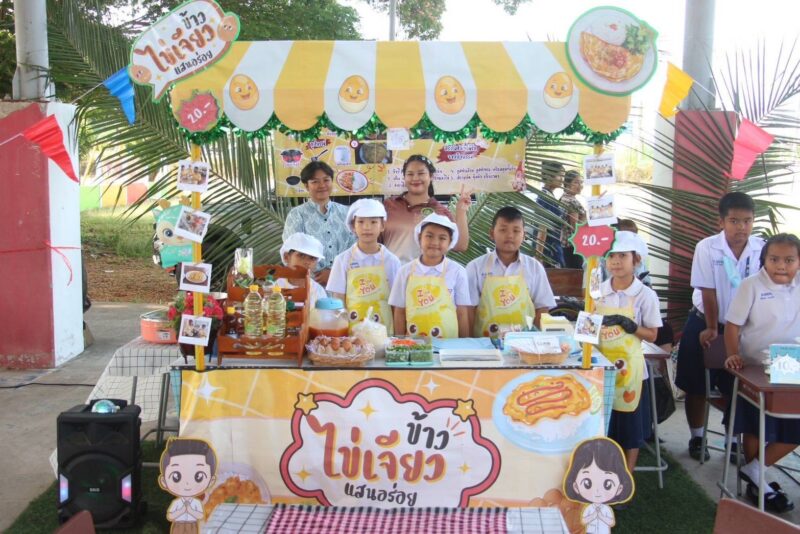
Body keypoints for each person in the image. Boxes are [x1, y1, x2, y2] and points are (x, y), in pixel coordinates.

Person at [675, 192, 764, 461]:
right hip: (705, 321)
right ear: (721, 221)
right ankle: (697, 437)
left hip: (743, 329)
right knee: (696, 384)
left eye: (747, 221)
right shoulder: (707, 247)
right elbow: (708, 291)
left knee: (736, 388)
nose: (741, 227)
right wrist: (713, 328)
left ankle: (732, 440)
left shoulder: (761, 248)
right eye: (734, 221)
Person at [724, 233, 800, 514]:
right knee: (756, 425)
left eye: (789, 260)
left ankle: (755, 471)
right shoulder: (751, 285)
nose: (781, 265)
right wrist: (733, 354)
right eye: (774, 259)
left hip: (792, 369)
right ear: (764, 260)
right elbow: (732, 325)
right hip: (754, 369)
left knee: (794, 426)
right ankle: (760, 483)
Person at [596, 231, 662, 471]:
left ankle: (626, 477)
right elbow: (589, 329)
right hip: (600, 367)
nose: (615, 261)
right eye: (611, 256)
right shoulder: (597, 291)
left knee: (629, 430)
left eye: (622, 256)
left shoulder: (646, 295)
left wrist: (631, 326)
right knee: (602, 425)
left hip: (630, 373)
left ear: (636, 260)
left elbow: (653, 335)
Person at [465, 206, 556, 336]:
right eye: (503, 230)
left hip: (524, 342)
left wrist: (533, 338)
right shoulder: (475, 267)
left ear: (524, 235)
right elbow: (469, 310)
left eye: (516, 230)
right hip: (484, 342)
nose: (510, 235)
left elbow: (542, 308)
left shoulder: (534, 267)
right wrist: (471, 342)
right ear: (492, 233)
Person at [389, 214, 470, 338]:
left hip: (448, 343)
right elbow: (399, 311)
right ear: (419, 237)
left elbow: (462, 313)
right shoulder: (404, 272)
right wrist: (400, 342)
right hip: (414, 344)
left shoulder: (458, 271)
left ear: (450, 242)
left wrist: (464, 344)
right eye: (429, 236)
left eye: (442, 238)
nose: (434, 242)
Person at [327, 199, 402, 334]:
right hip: (353, 334)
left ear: (382, 226)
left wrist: (397, 337)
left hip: (385, 333)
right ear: (353, 226)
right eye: (361, 222)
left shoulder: (392, 261)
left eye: (373, 222)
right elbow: (338, 301)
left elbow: (396, 303)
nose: (367, 227)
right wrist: (342, 335)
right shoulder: (342, 260)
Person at [382, 154, 471, 264]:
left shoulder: (440, 212)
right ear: (404, 177)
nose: (415, 178)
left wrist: (461, 211)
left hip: (425, 273)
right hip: (391, 272)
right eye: (410, 174)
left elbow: (460, 246)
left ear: (431, 176)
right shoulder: (388, 205)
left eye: (421, 173)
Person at [282, 161, 356, 285]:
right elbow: (292, 253)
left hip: (344, 284)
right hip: (309, 285)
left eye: (326, 180)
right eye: (315, 182)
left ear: (332, 182)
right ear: (306, 186)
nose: (322, 185)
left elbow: (355, 249)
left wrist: (334, 273)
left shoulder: (346, 213)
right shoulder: (297, 215)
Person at [564, 438, 635, 534]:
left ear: (619, 489)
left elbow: (611, 522)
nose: (597, 491)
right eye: (587, 484)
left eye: (607, 485)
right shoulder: (589, 508)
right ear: (576, 487)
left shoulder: (606, 509)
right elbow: (584, 520)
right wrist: (593, 516)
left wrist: (601, 516)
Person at [159, 438, 218, 534]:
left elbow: (200, 516)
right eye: (176, 477)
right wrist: (181, 511)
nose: (187, 484)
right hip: (178, 525)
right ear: (164, 482)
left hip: (192, 525)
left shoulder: (196, 502)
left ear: (211, 481)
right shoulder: (177, 503)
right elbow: (170, 516)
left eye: (198, 477)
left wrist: (190, 510)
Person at [279, 232, 328, 308]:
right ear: (286, 257)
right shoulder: (275, 287)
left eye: (312, 258)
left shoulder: (318, 291)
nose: (307, 262)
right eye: (301, 255)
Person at [535, 160, 566, 267]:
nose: (562, 179)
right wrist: (539, 256)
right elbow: (542, 228)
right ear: (549, 176)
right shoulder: (545, 198)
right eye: (560, 175)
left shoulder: (549, 196)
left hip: (554, 249)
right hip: (549, 253)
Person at [560, 170, 587, 269]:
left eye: (581, 182)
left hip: (565, 245)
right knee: (576, 273)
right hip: (573, 246)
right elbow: (575, 227)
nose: (580, 185)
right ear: (567, 184)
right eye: (576, 182)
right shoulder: (571, 202)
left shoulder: (563, 198)